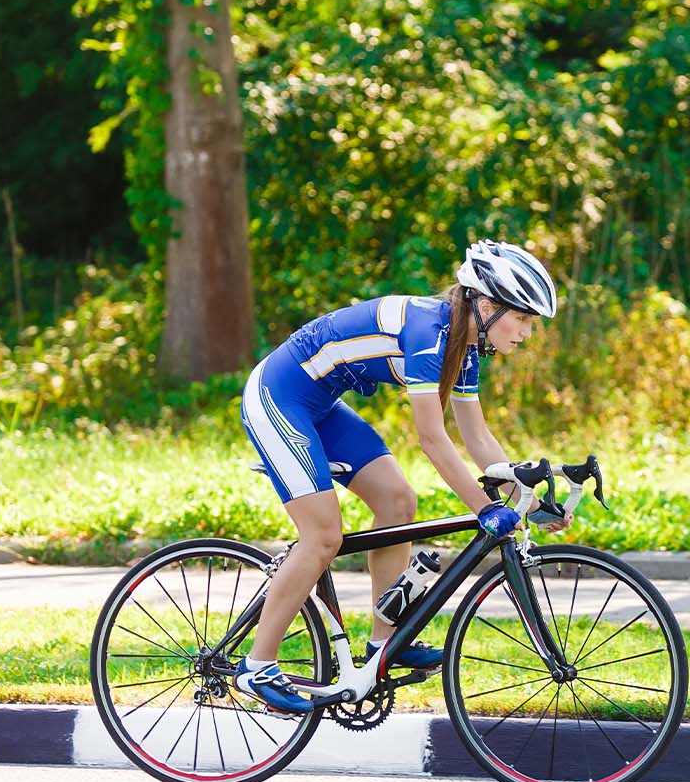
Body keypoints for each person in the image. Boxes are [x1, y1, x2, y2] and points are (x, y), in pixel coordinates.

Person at [230, 240, 564, 713]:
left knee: (397, 503)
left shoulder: (462, 348)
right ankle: (258, 665)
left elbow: (478, 437)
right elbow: (432, 438)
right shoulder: (429, 334)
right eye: (524, 319)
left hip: (321, 405)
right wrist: (484, 508)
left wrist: (524, 498)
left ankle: (385, 644)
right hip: (278, 396)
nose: (527, 333)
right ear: (486, 306)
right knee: (323, 536)